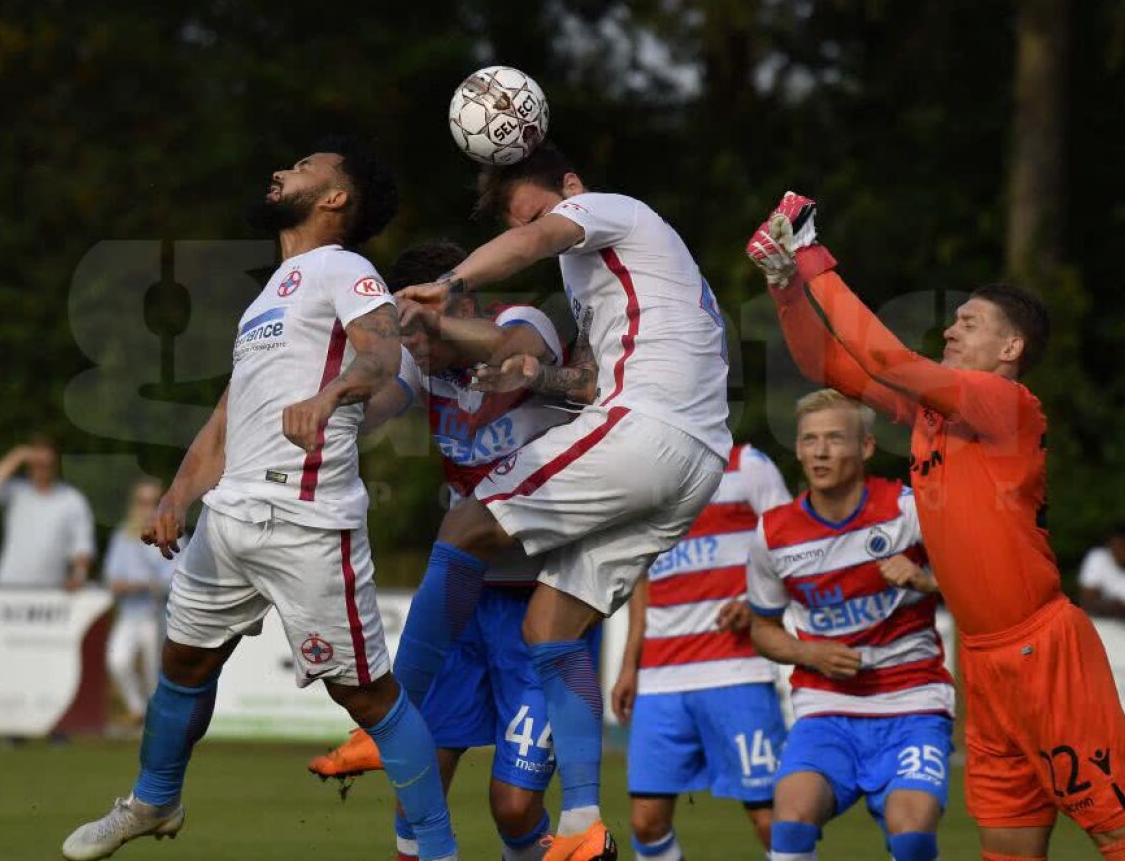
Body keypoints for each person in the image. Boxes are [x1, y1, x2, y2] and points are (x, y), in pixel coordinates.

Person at [61, 136, 458, 861]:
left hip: (305, 521)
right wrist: (179, 494)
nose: (282, 171)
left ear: (336, 198)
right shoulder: (267, 297)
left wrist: (335, 391)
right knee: (183, 662)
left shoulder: (346, 269)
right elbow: (227, 416)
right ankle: (154, 801)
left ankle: (436, 850)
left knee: (366, 698)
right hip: (231, 517)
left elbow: (381, 352)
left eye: (305, 167)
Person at [747, 192, 1125, 860]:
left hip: (1041, 650)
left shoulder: (1004, 401)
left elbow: (886, 359)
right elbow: (826, 366)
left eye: (968, 322)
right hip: (985, 661)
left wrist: (815, 257)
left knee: (1123, 829)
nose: (951, 330)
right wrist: (786, 287)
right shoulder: (937, 414)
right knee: (1008, 844)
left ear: (1010, 347)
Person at [393, 143, 731, 860]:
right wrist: (537, 377)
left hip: (651, 427)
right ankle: (581, 825)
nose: (539, 226)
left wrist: (449, 280)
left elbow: (537, 238)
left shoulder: (611, 212)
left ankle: (383, 722)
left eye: (540, 209)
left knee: (468, 518)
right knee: (552, 628)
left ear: (572, 187)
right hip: (693, 454)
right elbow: (587, 381)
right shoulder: (605, 276)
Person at [307, 240, 580, 861]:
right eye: (404, 330)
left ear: (461, 302)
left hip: (540, 604)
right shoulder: (418, 362)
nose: (417, 343)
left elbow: (520, 348)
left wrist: (436, 317)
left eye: (424, 323)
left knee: (515, 810)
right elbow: (378, 405)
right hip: (460, 603)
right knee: (415, 783)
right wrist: (325, 404)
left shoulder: (522, 323)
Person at [744, 389, 953, 861]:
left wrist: (924, 580)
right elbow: (763, 629)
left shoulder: (907, 510)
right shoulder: (773, 533)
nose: (820, 452)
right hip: (826, 711)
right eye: (810, 440)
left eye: (835, 439)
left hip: (913, 704)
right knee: (791, 816)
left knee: (913, 831)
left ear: (866, 447)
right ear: (797, 449)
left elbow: (979, 583)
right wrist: (807, 653)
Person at [611, 442, 791, 861]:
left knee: (774, 822)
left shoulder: (747, 464)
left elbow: (792, 541)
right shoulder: (640, 476)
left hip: (736, 673)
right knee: (645, 822)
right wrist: (629, 664)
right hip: (660, 676)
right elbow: (642, 577)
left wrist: (757, 604)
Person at [0, 435, 95, 590]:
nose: (44, 469)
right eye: (38, 464)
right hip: (8, 585)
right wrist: (20, 454)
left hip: (52, 590)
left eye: (49, 464)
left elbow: (82, 545)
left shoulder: (72, 500)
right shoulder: (17, 492)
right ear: (29, 466)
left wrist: (78, 576)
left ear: (56, 465)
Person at [104, 478, 175, 728]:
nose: (147, 508)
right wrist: (143, 584)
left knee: (153, 671)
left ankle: (154, 721)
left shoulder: (172, 534)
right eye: (142, 502)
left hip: (158, 616)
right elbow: (112, 579)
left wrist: (139, 584)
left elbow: (174, 581)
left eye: (153, 502)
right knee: (117, 661)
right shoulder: (122, 536)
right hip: (129, 613)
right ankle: (137, 710)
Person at [1079, 526, 1125, 620]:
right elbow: (1087, 601)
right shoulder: (1097, 558)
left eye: (1124, 547)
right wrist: (1109, 607)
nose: (1120, 551)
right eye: (1116, 546)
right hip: (1104, 623)